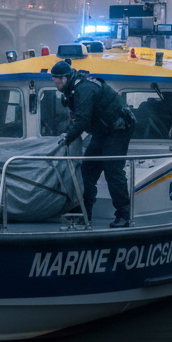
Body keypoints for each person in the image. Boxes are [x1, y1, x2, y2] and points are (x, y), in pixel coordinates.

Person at [51, 60, 134, 228]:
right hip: (102, 131)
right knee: (87, 171)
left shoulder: (84, 89)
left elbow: (81, 119)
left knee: (113, 170)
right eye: (54, 80)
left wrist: (66, 137)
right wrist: (67, 135)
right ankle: (84, 212)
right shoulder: (73, 89)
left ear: (67, 77)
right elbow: (78, 119)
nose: (57, 84)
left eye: (59, 80)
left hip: (118, 128)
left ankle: (123, 215)